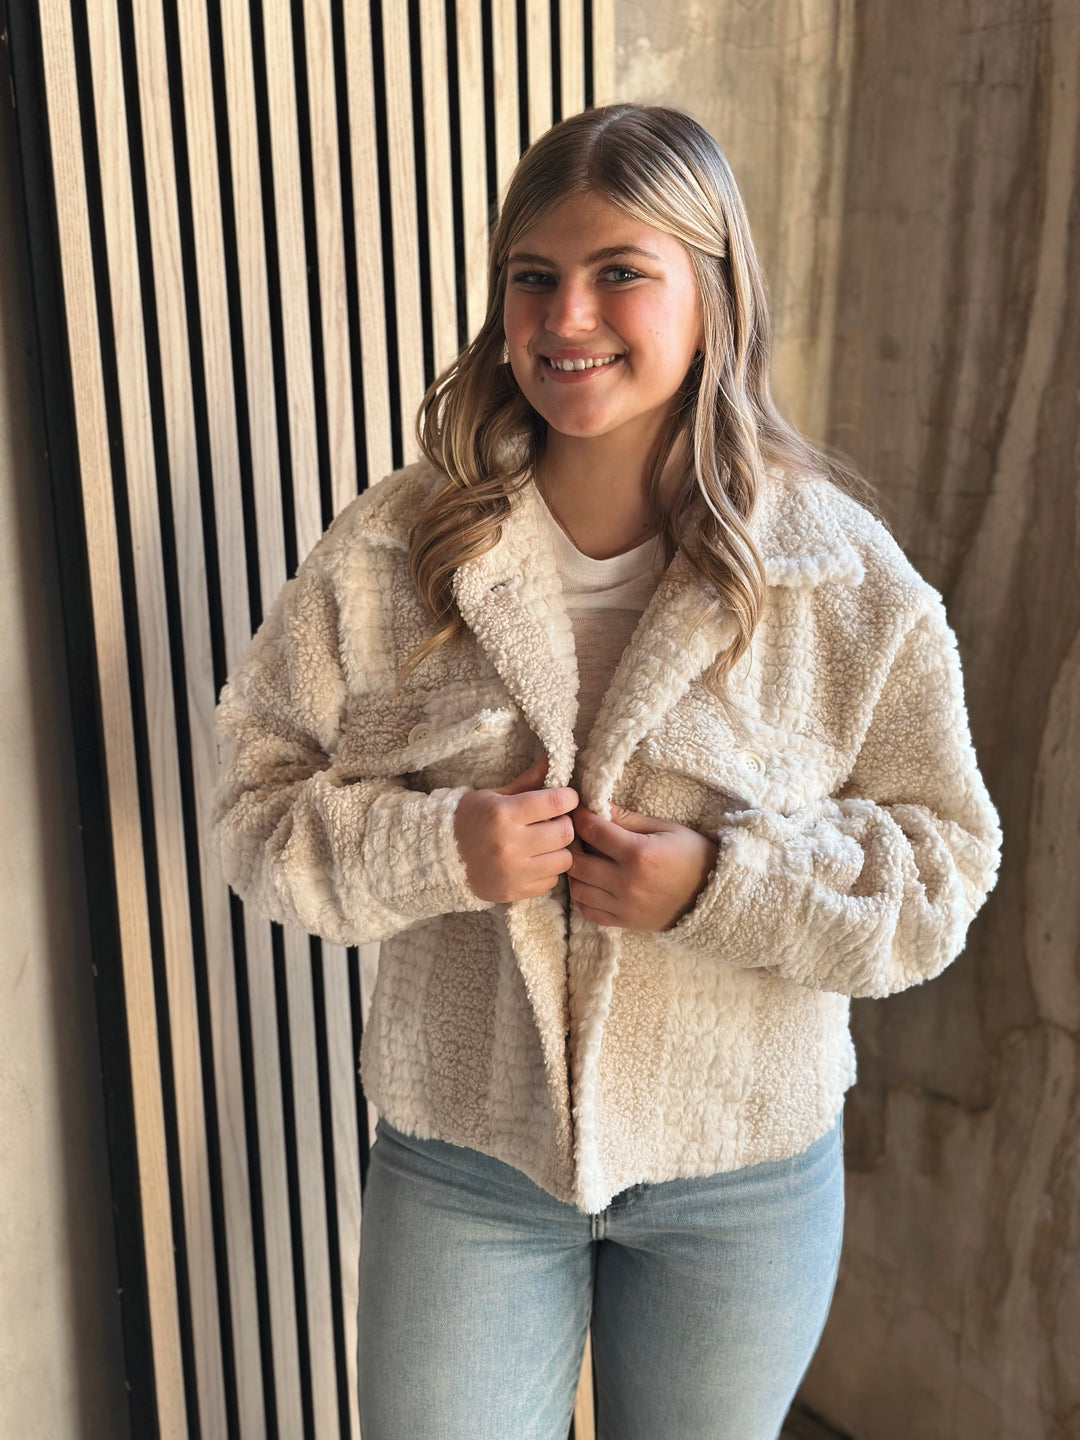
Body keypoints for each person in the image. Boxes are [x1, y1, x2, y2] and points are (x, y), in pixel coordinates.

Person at [214, 104, 1001, 1440]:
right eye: (534, 276)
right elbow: (253, 807)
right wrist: (436, 851)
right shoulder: (397, 551)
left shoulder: (839, 575)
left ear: (715, 291)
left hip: (743, 1171)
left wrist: (724, 885)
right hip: (464, 1159)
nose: (566, 314)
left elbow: (944, 867)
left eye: (620, 271)